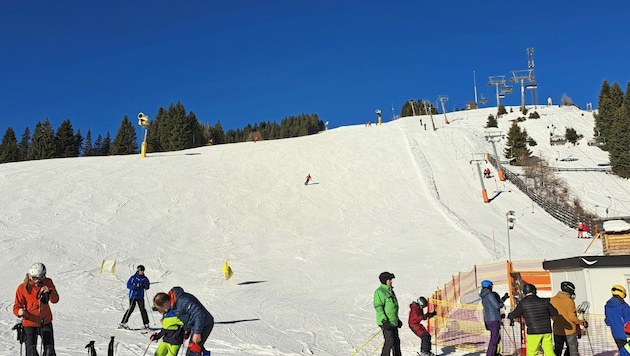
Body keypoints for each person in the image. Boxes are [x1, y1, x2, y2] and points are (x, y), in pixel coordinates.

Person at [13, 262, 59, 356]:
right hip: (29, 323)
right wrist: (19, 311)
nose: (36, 281)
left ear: (43, 276)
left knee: (49, 350)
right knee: (31, 352)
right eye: (34, 278)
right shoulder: (22, 288)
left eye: (39, 278)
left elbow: (55, 300)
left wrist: (50, 292)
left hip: (45, 321)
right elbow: (16, 306)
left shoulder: (48, 282)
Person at [153, 287, 215, 356]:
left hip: (204, 323)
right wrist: (187, 329)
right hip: (195, 325)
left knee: (193, 351)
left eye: (162, 308)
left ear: (165, 303)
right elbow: (186, 317)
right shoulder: (173, 303)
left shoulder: (183, 301)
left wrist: (197, 332)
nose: (163, 310)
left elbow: (199, 314)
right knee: (194, 350)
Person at [507, 283, 558, 356]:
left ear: (524, 292)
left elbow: (515, 314)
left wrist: (510, 315)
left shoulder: (523, 303)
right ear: (535, 291)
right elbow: (554, 312)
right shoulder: (545, 301)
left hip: (533, 331)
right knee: (549, 351)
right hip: (546, 330)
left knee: (532, 352)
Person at [550, 281, 586, 356]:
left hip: (557, 329)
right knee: (572, 350)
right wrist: (580, 321)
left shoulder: (552, 300)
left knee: (557, 350)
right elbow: (572, 317)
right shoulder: (569, 301)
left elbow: (551, 314)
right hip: (569, 330)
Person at [374, 271, 401, 356]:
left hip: (393, 321)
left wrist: (397, 319)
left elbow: (393, 307)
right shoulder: (380, 292)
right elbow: (379, 307)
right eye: (389, 280)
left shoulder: (390, 291)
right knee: (389, 341)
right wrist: (384, 320)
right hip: (386, 322)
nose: (391, 281)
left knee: (396, 341)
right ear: (385, 280)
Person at [480, 280, 508, 356]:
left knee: (496, 337)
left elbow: (494, 303)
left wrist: (503, 299)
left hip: (489, 319)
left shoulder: (484, 295)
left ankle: (494, 353)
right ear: (489, 286)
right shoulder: (489, 294)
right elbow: (496, 306)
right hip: (493, 319)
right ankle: (490, 354)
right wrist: (501, 304)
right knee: (494, 339)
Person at [119, 265, 150, 330]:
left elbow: (147, 287)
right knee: (131, 309)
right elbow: (128, 285)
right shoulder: (133, 277)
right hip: (133, 296)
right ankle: (123, 323)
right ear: (138, 270)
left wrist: (145, 286)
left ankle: (146, 324)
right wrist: (135, 287)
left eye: (143, 270)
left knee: (143, 309)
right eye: (140, 270)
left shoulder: (145, 278)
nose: (142, 272)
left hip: (140, 296)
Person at [605, 284, 630, 349]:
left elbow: (607, 321)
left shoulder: (607, 306)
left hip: (615, 334)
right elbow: (628, 322)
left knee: (623, 352)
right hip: (627, 335)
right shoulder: (624, 306)